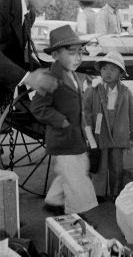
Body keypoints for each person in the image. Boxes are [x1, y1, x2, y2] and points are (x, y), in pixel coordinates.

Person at [31, 25, 98, 216]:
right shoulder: (51, 77)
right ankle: (78, 217)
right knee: (77, 178)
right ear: (55, 56)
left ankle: (53, 201)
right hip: (62, 137)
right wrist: (61, 120)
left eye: (80, 53)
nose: (77, 58)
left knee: (72, 170)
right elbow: (38, 107)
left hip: (74, 136)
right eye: (71, 53)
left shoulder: (74, 75)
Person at [0, 0, 69, 116]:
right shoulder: (1, 2)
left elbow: (16, 54)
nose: (53, 4)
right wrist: (29, 78)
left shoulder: (29, 13)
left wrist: (50, 72)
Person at [84, 52, 133, 201]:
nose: (107, 72)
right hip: (100, 132)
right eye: (104, 68)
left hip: (119, 131)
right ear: (100, 71)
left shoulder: (126, 92)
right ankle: (98, 192)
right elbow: (86, 113)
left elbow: (131, 114)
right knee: (100, 163)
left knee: (116, 164)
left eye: (113, 69)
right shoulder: (92, 91)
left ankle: (116, 191)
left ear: (120, 73)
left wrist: (131, 133)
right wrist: (88, 134)